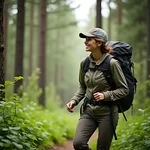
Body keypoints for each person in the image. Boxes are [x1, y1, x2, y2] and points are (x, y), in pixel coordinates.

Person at [66, 28, 129, 150]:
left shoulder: (112, 63)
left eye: (89, 39)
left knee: (102, 148)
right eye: (85, 39)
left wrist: (105, 95)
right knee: (78, 143)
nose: (85, 42)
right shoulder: (84, 63)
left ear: (99, 43)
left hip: (107, 112)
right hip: (88, 111)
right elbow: (83, 87)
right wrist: (74, 101)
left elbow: (124, 89)